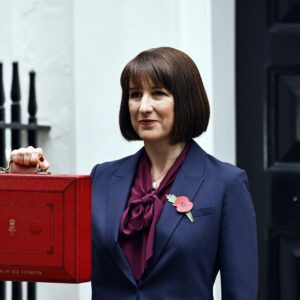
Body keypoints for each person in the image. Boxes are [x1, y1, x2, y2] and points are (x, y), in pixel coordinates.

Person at [9, 47, 258, 300]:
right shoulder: (102, 178)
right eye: (135, 94)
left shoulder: (226, 183)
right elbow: (40, 243)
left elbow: (241, 292)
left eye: (158, 93)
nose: (144, 106)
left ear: (185, 100)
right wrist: (20, 183)